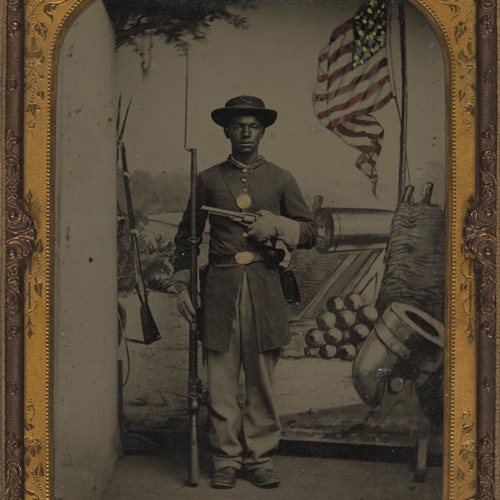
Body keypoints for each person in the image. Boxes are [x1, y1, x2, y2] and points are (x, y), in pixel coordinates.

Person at [172, 95, 317, 489]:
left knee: (261, 382)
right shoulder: (206, 179)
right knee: (220, 382)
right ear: (227, 131)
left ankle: (259, 457)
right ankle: (225, 458)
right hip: (219, 290)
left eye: (253, 125)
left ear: (264, 130)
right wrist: (184, 285)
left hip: (265, 289)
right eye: (239, 126)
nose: (246, 132)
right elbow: (186, 237)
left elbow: (310, 231)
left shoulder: (282, 178)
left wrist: (276, 225)